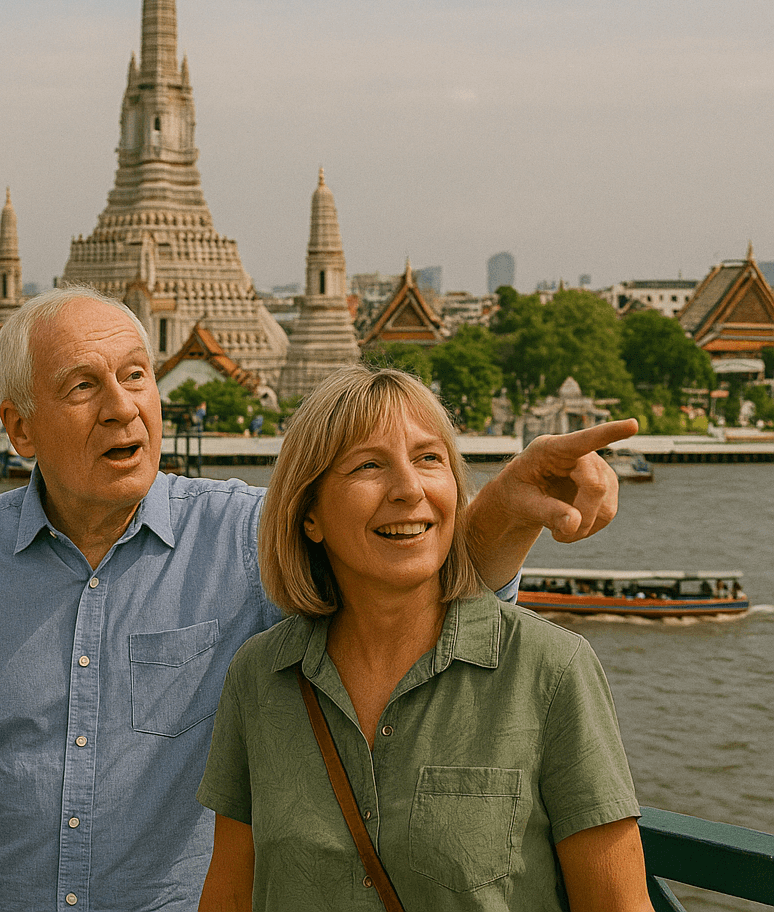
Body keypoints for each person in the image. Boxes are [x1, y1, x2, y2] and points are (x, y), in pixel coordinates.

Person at [0, 286, 637, 912]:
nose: (123, 407)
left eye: (136, 376)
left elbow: (410, 580)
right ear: (20, 428)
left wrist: (507, 500)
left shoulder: (242, 535)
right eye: (83, 387)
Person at [196, 366, 649, 911]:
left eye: (430, 459)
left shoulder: (548, 669)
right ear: (309, 515)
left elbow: (618, 904)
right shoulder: (261, 675)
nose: (409, 489)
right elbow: (228, 896)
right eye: (369, 466)